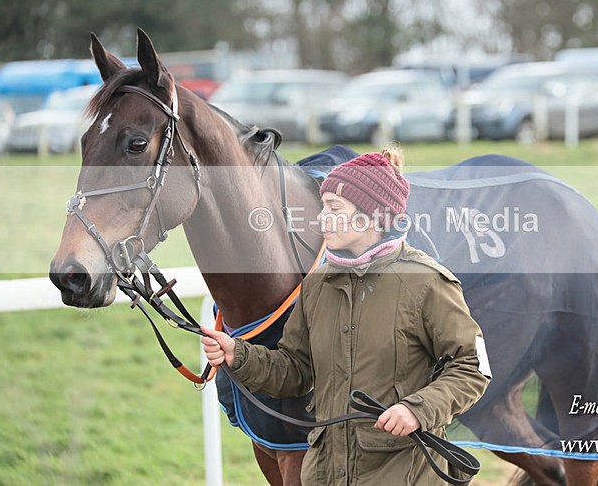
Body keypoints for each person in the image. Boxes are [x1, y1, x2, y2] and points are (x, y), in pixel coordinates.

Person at [201, 146, 491, 485]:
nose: (322, 218)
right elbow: (296, 370)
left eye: (334, 208)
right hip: (327, 474)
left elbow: (472, 367)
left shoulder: (428, 282)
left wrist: (418, 410)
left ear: (371, 215)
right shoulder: (317, 285)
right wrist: (240, 355)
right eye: (323, 207)